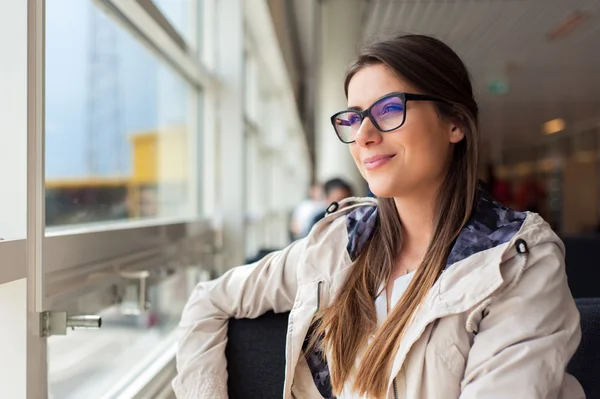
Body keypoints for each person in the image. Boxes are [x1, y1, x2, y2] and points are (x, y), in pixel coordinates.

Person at [173, 34, 583, 399]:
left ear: (455, 122)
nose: (365, 135)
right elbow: (208, 300)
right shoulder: (340, 244)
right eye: (353, 118)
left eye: (389, 109)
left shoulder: (517, 262)